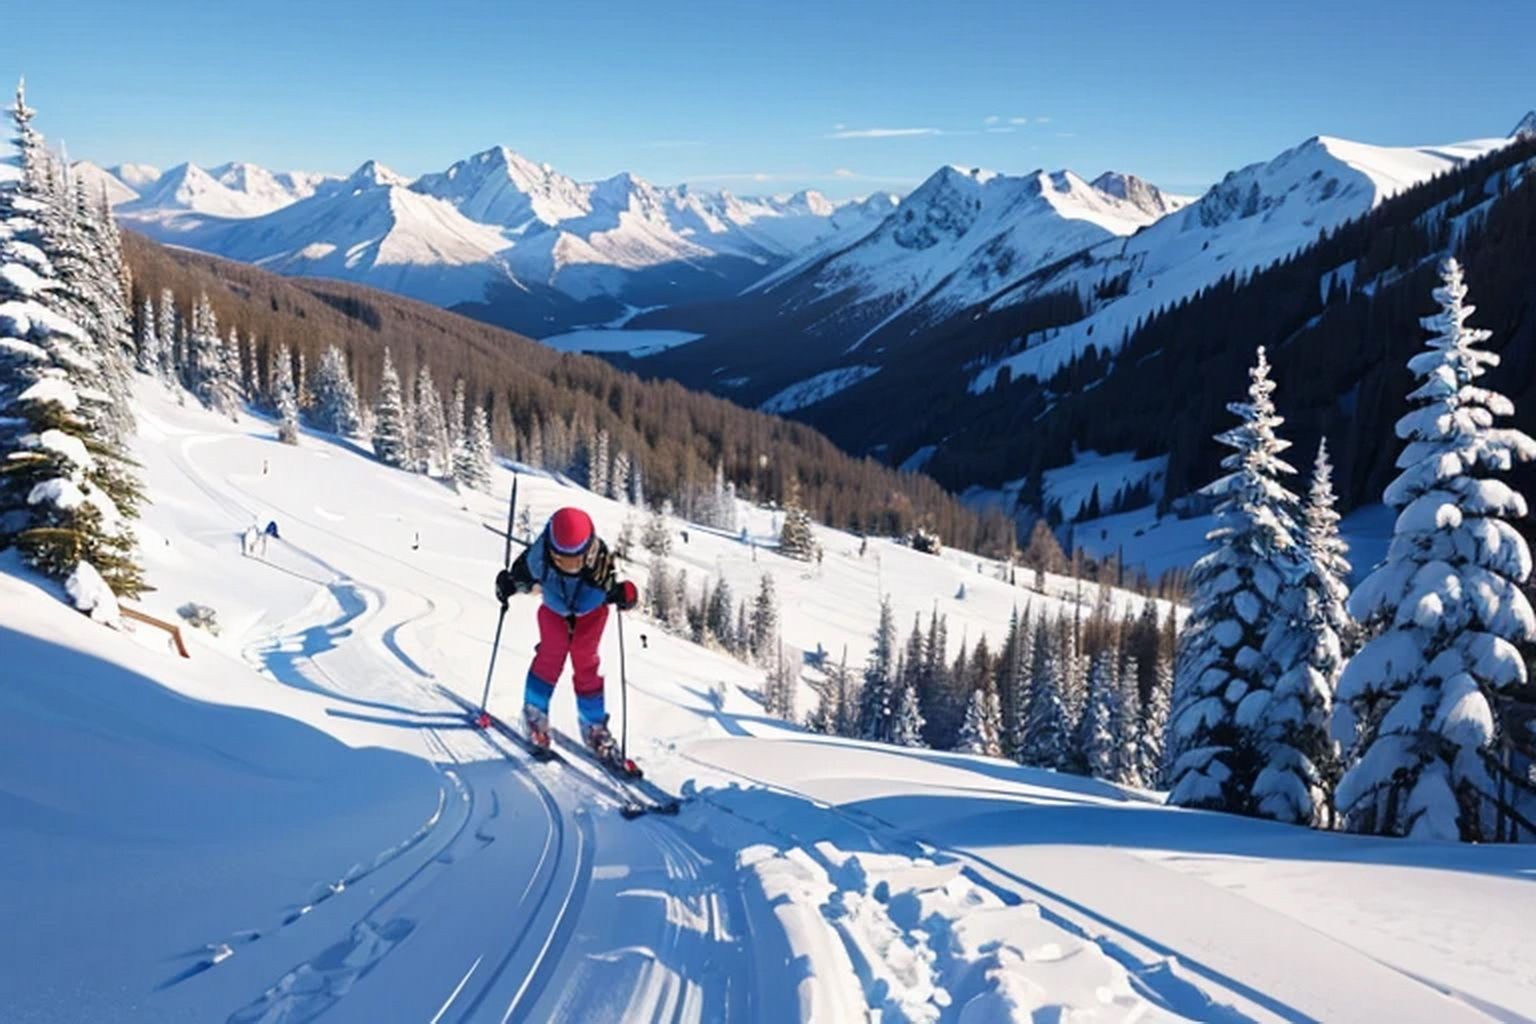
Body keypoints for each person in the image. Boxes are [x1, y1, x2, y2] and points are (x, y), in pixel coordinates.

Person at [495, 506, 638, 760]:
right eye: (561, 560)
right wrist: (507, 585)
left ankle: (593, 727)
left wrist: (625, 595)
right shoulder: (539, 557)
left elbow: (613, 589)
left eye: (575, 561)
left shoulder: (600, 560)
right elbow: (520, 576)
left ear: (588, 550)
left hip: (590, 613)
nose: (569, 567)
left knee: (586, 662)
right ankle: (535, 715)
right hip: (555, 611)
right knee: (551, 655)